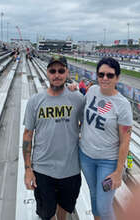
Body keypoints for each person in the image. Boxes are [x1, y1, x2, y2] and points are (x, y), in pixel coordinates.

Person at [23, 56, 84, 220]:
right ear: (47, 73)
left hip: (70, 170)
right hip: (43, 170)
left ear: (67, 73)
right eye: (53, 71)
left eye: (61, 71)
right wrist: (28, 169)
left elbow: (88, 127)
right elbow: (28, 135)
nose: (57, 75)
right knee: (46, 213)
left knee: (64, 209)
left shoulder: (78, 99)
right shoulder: (35, 101)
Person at [79, 57, 133, 220]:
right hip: (86, 156)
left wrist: (118, 172)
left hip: (107, 161)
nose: (105, 78)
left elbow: (125, 140)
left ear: (117, 78)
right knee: (94, 196)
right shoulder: (92, 90)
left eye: (110, 75)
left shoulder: (122, 105)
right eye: (101, 74)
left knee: (104, 205)